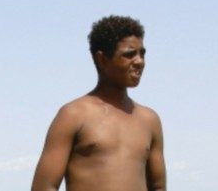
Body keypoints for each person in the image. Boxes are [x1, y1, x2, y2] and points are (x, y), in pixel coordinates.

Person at [31, 15, 166, 191]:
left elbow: (158, 187)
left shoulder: (149, 120)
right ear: (102, 60)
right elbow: (44, 186)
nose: (139, 61)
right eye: (129, 54)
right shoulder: (74, 115)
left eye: (142, 53)